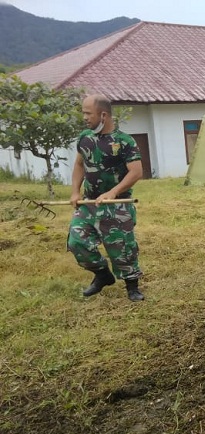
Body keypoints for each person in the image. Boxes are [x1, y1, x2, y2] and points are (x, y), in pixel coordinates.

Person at [67, 94, 145, 301]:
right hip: (89, 203)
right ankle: (102, 275)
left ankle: (132, 287)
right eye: (83, 113)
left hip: (116, 204)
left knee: (122, 248)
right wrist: (75, 191)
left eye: (88, 113)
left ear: (103, 115)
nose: (84, 118)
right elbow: (79, 165)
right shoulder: (85, 137)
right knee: (77, 242)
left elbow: (136, 172)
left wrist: (113, 192)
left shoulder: (124, 141)